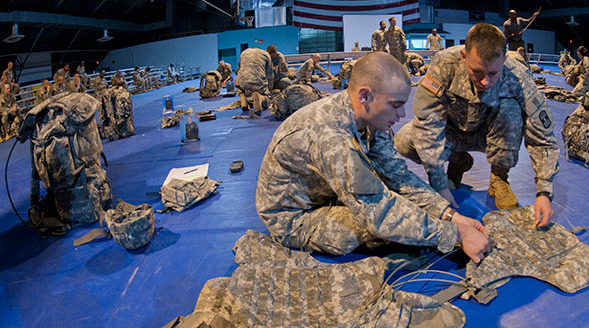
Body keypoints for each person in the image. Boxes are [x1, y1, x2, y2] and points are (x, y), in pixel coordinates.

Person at [255, 52, 490, 262]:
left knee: (399, 204)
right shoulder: (328, 135)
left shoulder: (370, 119)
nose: (402, 114)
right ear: (365, 96)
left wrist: (450, 215)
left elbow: (399, 177)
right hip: (294, 216)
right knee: (362, 228)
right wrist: (454, 234)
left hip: (327, 192)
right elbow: (377, 211)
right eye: (396, 105)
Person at [394, 23, 558, 226]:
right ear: (464, 56)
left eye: (493, 74)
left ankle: (499, 177)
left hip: (489, 136)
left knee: (510, 110)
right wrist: (439, 184)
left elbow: (543, 138)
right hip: (452, 131)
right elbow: (428, 122)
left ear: (504, 60)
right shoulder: (444, 65)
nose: (485, 82)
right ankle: (457, 160)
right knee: (404, 141)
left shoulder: (518, 77)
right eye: (478, 72)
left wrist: (544, 191)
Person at [234, 47, 274, 116]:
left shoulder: (244, 53)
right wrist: (269, 91)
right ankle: (259, 97)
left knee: (238, 84)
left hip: (242, 82)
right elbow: (270, 75)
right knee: (267, 100)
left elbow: (240, 69)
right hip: (258, 83)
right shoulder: (266, 54)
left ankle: (243, 98)